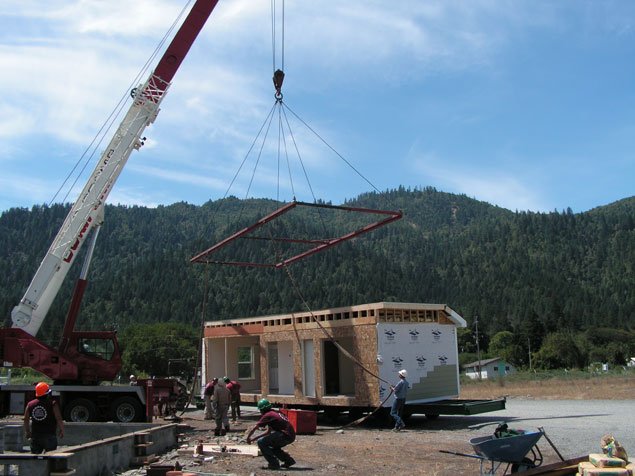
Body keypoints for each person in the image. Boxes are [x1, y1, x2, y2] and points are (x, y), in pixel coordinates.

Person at [246, 398, 296, 470]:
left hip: (284, 435)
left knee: (261, 442)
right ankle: (288, 461)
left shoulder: (268, 415)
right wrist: (254, 438)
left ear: (262, 409)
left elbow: (254, 428)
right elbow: (268, 432)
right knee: (271, 446)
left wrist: (248, 438)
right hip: (290, 436)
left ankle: (274, 464)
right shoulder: (275, 413)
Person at [23, 382, 64, 454]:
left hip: (36, 436)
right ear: (47, 393)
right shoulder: (53, 403)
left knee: (35, 460)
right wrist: (62, 429)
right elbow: (59, 418)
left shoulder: (30, 404)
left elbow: (26, 419)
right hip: (49, 435)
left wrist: (27, 432)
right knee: (51, 460)